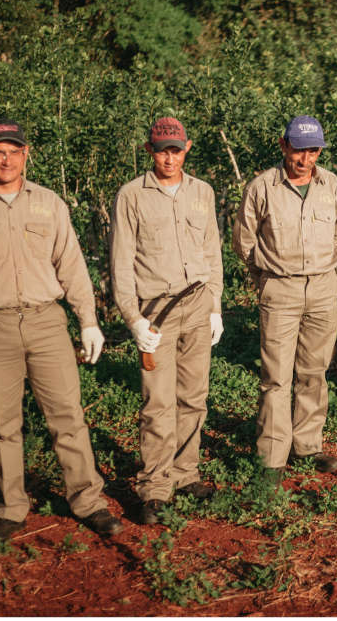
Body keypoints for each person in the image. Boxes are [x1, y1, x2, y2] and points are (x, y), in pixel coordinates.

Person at [0, 118, 122, 539]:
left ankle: (88, 501)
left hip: (47, 322)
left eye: (13, 151)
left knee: (68, 416)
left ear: (25, 154)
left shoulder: (49, 202)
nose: (6, 159)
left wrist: (88, 321)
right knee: (1, 423)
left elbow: (71, 265)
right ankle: (10, 508)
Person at [110, 117, 224, 524]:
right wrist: (132, 319)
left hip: (197, 305)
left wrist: (216, 306)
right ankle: (155, 487)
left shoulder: (202, 192)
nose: (169, 157)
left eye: (176, 149)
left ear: (187, 148)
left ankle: (185, 472)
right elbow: (121, 263)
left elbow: (212, 251)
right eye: (162, 150)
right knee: (157, 402)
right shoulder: (131, 196)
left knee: (194, 397)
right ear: (149, 151)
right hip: (155, 312)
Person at [232, 115, 337, 480]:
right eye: (298, 149)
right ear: (284, 146)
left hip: (322, 288)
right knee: (276, 376)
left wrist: (327, 268)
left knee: (314, 371)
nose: (305, 158)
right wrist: (266, 279)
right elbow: (244, 242)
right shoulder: (262, 187)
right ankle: (272, 456)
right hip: (279, 288)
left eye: (312, 150)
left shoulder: (332, 186)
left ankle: (307, 445)